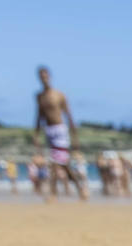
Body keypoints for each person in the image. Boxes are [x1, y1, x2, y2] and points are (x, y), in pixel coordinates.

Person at [33, 66, 88, 201]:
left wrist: (75, 138)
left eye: (45, 76)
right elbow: (39, 116)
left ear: (49, 77)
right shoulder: (39, 96)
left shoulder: (59, 95)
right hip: (49, 131)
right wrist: (36, 135)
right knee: (63, 164)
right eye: (41, 76)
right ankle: (80, 190)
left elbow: (69, 116)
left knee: (55, 163)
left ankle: (54, 194)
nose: (44, 79)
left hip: (60, 130)